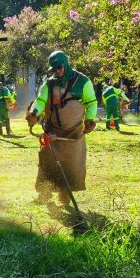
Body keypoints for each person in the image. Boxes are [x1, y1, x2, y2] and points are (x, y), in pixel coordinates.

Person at [26, 51, 97, 206]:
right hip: (53, 132)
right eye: (54, 69)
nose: (57, 71)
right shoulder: (49, 84)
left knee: (71, 165)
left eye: (59, 67)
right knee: (46, 162)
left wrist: (90, 119)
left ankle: (65, 197)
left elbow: (91, 102)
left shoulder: (83, 81)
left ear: (65, 64)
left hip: (74, 134)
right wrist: (35, 112)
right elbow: (41, 100)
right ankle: (44, 194)